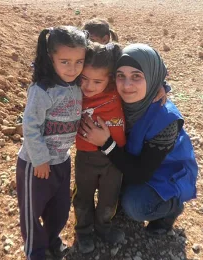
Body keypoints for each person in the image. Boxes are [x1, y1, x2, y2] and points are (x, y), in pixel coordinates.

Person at [79, 44, 198, 236]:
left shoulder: (165, 119)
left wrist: (106, 144)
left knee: (134, 205)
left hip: (164, 173)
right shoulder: (118, 97)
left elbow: (141, 173)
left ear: (151, 77)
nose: (127, 86)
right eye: (121, 76)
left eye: (137, 76)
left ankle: (171, 207)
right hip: (132, 162)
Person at [15, 26, 88, 260]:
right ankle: (35, 252)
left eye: (79, 62)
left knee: (59, 209)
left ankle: (52, 240)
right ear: (51, 58)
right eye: (65, 61)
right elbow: (31, 126)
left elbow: (108, 71)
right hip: (36, 164)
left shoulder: (78, 85)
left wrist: (161, 86)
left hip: (62, 161)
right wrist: (40, 159)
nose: (73, 68)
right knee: (32, 211)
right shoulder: (42, 89)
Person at [72, 42, 126, 254]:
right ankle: (84, 231)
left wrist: (161, 87)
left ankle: (104, 228)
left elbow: (143, 77)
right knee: (83, 198)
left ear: (110, 79)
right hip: (85, 157)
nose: (88, 86)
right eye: (84, 79)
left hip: (114, 160)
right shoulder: (74, 91)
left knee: (108, 199)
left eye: (97, 81)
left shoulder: (117, 90)